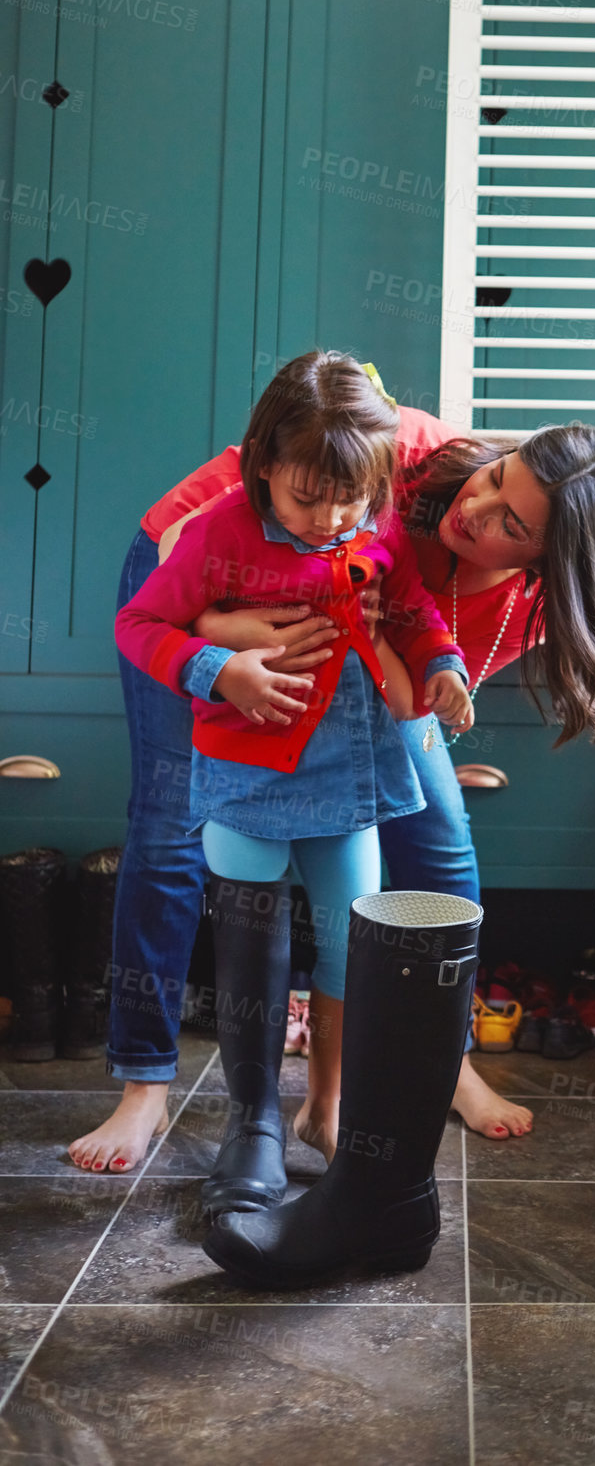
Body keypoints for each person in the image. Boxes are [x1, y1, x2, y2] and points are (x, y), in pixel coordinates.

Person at [68, 394, 595, 1173]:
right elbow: (183, 559)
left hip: (369, 644)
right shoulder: (401, 454)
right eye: (495, 478)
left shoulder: (530, 609)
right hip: (192, 577)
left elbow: (412, 693)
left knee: (439, 836)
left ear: (552, 560)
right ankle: (144, 1085)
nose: (477, 507)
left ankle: (441, 1063)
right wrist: (224, 637)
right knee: (174, 820)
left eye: (512, 523)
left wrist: (395, 660)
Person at [110, 352, 473, 1215]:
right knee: (252, 941)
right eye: (308, 496)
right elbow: (141, 623)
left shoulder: (373, 524)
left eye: (350, 498)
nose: (331, 517)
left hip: (349, 774)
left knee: (354, 938)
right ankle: (254, 1123)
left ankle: (326, 1108)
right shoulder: (220, 532)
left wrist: (446, 663)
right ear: (263, 461)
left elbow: (416, 612)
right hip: (246, 771)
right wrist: (216, 669)